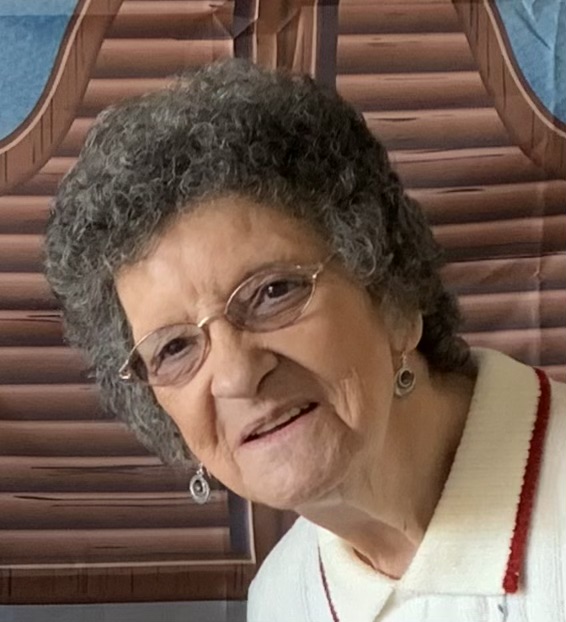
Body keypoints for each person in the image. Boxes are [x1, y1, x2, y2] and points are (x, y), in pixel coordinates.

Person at [44, 59, 566, 621]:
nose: (237, 376)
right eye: (174, 349)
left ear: (391, 295)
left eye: (272, 292)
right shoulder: (282, 600)